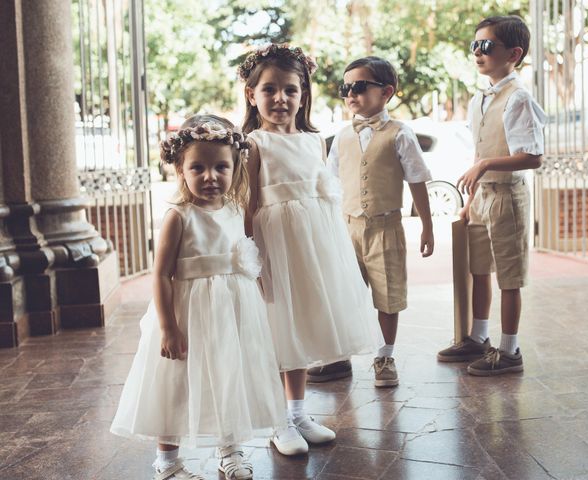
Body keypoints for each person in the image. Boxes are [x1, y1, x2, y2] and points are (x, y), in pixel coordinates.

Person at [110, 115, 286, 480]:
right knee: (174, 384)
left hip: (231, 311)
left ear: (235, 166)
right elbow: (161, 274)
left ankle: (230, 449)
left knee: (228, 376)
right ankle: (168, 461)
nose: (211, 176)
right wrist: (168, 327)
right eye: (198, 167)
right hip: (188, 312)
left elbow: (243, 257)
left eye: (221, 166)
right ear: (180, 169)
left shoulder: (237, 210)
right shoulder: (179, 216)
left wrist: (254, 294)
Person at [239, 44, 383, 455]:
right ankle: (277, 420)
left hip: (313, 247)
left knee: (300, 327)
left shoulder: (314, 140)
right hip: (275, 247)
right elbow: (248, 208)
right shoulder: (253, 144)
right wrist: (254, 260)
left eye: (290, 89)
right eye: (269, 90)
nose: (280, 98)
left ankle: (298, 411)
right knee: (278, 330)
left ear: (304, 94)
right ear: (252, 95)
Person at [310, 56, 434, 388]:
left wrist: (427, 226)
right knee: (345, 294)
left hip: (386, 228)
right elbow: (330, 185)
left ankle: (385, 356)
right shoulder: (341, 137)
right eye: (345, 88)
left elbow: (417, 180)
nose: (351, 93)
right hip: (346, 228)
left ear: (386, 92)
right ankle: (339, 358)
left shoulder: (400, 133)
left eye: (361, 87)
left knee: (387, 295)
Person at [437, 15, 546, 376]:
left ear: (513, 53)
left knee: (509, 277)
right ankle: (477, 338)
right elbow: (479, 150)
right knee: (478, 269)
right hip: (482, 197)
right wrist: (469, 201)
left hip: (507, 197)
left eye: (486, 46)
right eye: (475, 45)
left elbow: (533, 157)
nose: (477, 53)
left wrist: (484, 165)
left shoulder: (519, 98)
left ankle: (510, 350)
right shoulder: (480, 98)